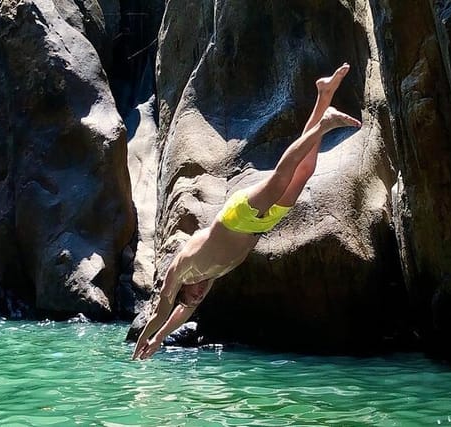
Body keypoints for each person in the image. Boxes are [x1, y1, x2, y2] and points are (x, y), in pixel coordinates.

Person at [133, 63, 361, 360]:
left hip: (237, 217)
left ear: (181, 290)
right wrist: (160, 342)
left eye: (192, 295)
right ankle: (324, 94)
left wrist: (145, 340)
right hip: (260, 224)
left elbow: (163, 311)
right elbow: (182, 314)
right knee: (305, 171)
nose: (198, 295)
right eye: (195, 298)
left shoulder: (180, 271)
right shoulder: (208, 277)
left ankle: (323, 124)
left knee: (281, 177)